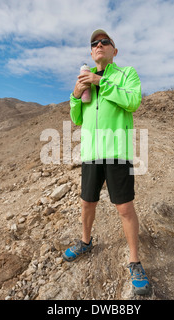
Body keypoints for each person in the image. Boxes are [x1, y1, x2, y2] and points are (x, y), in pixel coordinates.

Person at [63, 29, 150, 295]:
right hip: (91, 153)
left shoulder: (126, 74)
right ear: (91, 53)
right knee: (87, 201)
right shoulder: (84, 77)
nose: (99, 45)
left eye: (104, 42)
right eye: (94, 44)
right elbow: (76, 118)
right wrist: (76, 95)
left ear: (114, 50)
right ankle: (86, 242)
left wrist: (101, 82)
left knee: (124, 208)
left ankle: (134, 261)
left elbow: (133, 101)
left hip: (117, 152)